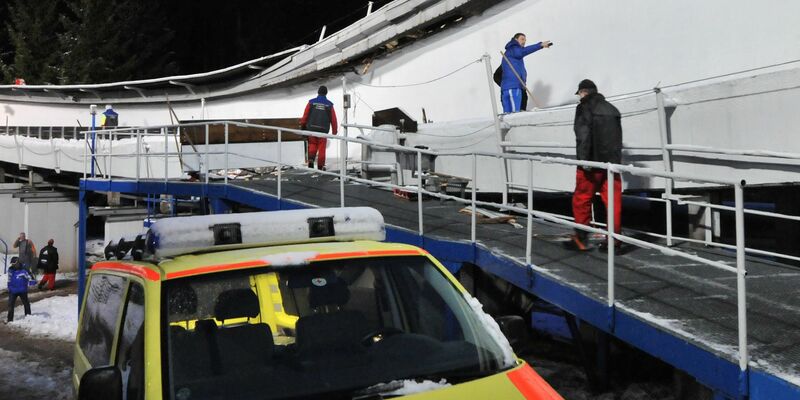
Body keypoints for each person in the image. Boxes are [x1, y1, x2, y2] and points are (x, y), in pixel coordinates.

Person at [564, 79, 623, 251]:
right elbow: (617, 139)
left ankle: (581, 239)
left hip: (591, 163)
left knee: (582, 200)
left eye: (580, 94)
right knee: (613, 202)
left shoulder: (584, 108)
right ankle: (614, 240)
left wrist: (583, 162)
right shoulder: (613, 109)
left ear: (584, 92)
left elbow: (582, 136)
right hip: (612, 164)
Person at [500, 33, 552, 113]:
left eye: (525, 40)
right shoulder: (514, 49)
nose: (524, 41)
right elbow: (524, 51)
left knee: (508, 115)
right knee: (514, 114)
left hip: (509, 87)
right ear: (516, 39)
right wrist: (540, 45)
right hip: (513, 87)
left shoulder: (511, 52)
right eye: (522, 39)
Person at [299, 86, 338, 170]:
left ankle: (311, 160)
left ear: (318, 92)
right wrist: (334, 131)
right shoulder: (329, 105)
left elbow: (305, 114)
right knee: (321, 148)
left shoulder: (311, 102)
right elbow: (333, 119)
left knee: (312, 144)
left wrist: (302, 125)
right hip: (323, 130)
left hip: (311, 128)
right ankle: (320, 166)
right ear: (326, 93)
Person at [7, 257, 34, 322]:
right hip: (13, 290)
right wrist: (9, 287)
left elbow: (30, 277)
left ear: (18, 262)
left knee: (26, 304)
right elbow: (9, 279)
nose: (13, 265)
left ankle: (28, 317)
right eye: (12, 264)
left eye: (14, 264)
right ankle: (9, 320)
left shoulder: (24, 269)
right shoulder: (10, 269)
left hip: (22, 290)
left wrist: (32, 281)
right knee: (10, 305)